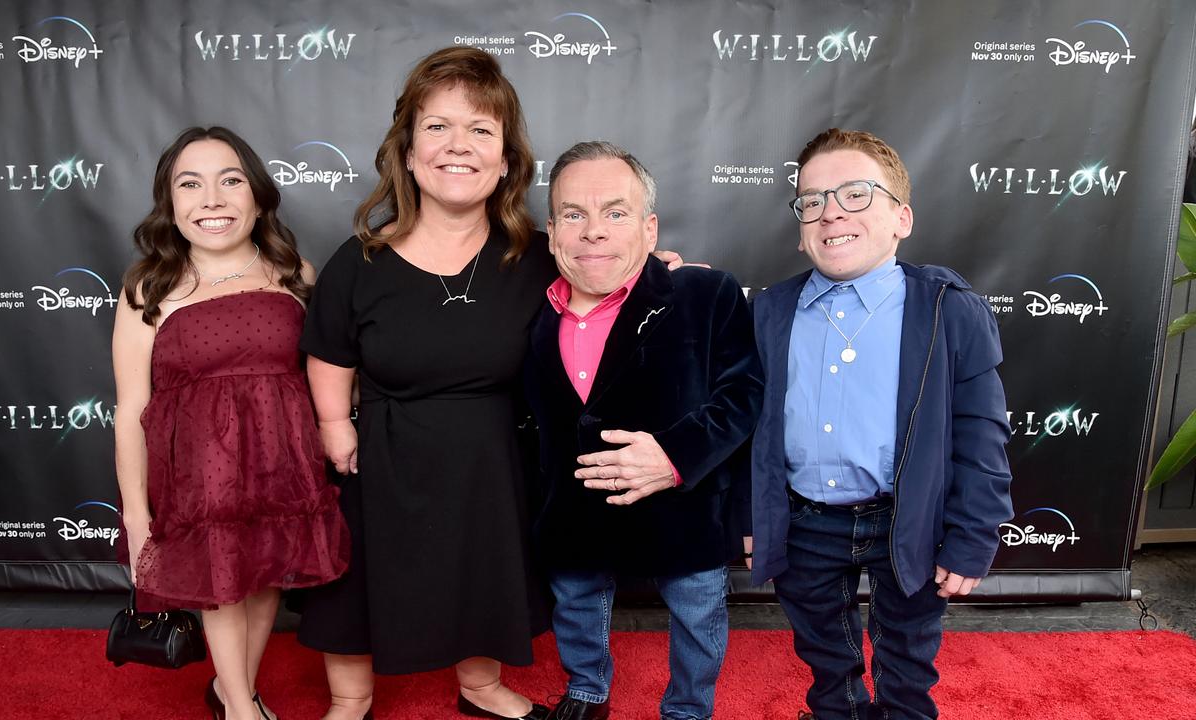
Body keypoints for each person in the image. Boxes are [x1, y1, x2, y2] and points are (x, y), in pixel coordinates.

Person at [296, 48, 684, 720]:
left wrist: (656, 271)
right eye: (438, 127)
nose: (459, 146)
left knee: (486, 568)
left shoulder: (539, 253)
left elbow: (606, 279)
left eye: (481, 130)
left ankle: (479, 687)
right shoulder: (359, 261)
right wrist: (334, 423)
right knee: (357, 577)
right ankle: (349, 699)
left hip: (497, 455)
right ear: (408, 153)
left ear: (505, 159)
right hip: (383, 454)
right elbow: (329, 349)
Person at [747, 128, 1013, 720]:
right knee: (824, 657)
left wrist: (972, 537)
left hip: (906, 520)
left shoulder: (948, 309)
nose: (831, 211)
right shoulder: (769, 311)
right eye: (811, 200)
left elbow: (982, 435)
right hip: (804, 522)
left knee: (908, 658)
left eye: (856, 194)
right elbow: (751, 432)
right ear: (799, 229)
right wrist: (753, 518)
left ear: (902, 218)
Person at [113, 126, 350, 720]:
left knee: (265, 575)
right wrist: (136, 511)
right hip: (201, 478)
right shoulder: (150, 285)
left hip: (281, 468)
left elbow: (325, 376)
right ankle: (243, 709)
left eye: (230, 180)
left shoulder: (295, 272)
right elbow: (129, 409)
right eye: (190, 184)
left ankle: (229, 690)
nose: (212, 199)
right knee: (221, 582)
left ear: (258, 195)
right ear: (171, 203)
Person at [524, 141, 762, 720]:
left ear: (649, 229)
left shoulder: (706, 293)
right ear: (552, 230)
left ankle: (688, 708)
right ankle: (586, 689)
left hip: (683, 506)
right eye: (574, 214)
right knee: (576, 603)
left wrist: (675, 457)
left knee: (698, 613)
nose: (593, 231)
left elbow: (744, 394)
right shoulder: (529, 307)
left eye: (615, 212)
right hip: (572, 506)